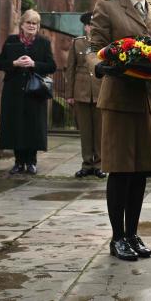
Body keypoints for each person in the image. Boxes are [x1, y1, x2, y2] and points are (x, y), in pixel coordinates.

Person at [86, 0, 151, 261]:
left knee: (141, 171)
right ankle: (117, 237)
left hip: (149, 100)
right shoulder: (108, 7)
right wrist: (100, 65)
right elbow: (92, 47)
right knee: (121, 171)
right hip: (120, 99)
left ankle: (133, 233)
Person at [0, 9, 56, 175]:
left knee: (32, 127)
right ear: (22, 24)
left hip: (35, 92)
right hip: (14, 91)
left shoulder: (44, 43)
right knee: (16, 126)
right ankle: (18, 162)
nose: (31, 26)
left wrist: (34, 63)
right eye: (28, 22)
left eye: (34, 23)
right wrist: (14, 63)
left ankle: (31, 162)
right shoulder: (11, 40)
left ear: (38, 26)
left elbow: (52, 66)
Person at [65, 12, 106, 179]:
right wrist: (69, 94)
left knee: (100, 131)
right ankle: (87, 163)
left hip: (100, 92)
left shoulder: (104, 45)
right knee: (85, 131)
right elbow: (70, 69)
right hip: (81, 92)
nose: (91, 27)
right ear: (85, 27)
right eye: (89, 25)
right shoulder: (77, 43)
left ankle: (100, 164)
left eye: (94, 25)